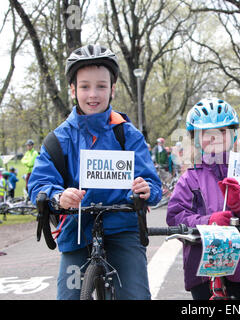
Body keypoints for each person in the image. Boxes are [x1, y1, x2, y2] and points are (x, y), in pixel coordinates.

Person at [27, 44, 162, 300]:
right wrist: (58, 196)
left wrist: (146, 190)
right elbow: (39, 184)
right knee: (68, 296)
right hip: (77, 229)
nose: (93, 94)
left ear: (112, 89)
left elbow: (153, 186)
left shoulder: (127, 134)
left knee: (135, 295)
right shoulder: (58, 139)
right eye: (85, 86)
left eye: (101, 86)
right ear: (73, 90)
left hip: (122, 228)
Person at [166, 97, 240, 300]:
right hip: (202, 269)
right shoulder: (189, 179)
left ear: (234, 135)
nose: (215, 137)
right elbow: (175, 217)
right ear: (196, 138)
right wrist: (207, 221)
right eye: (206, 132)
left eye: (222, 131)